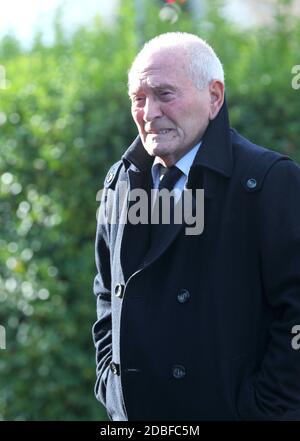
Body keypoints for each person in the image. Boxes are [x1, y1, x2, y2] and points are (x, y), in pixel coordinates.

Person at [92, 32, 300, 421]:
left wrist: (262, 411)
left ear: (214, 98)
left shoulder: (267, 181)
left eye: (164, 94)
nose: (149, 112)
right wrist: (112, 384)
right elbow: (106, 293)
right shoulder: (120, 181)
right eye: (138, 99)